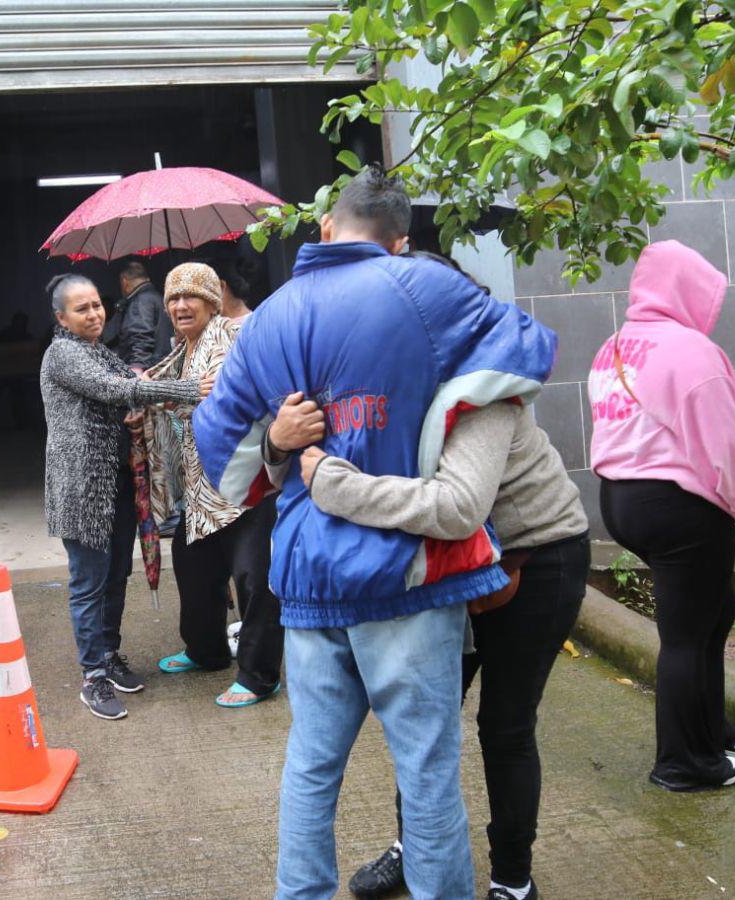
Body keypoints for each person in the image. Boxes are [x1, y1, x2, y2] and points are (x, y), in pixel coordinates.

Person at [192, 168, 556, 900]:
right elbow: (528, 351)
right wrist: (436, 398)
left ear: (326, 228)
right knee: (425, 769)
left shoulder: (266, 320)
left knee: (311, 765)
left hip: (306, 579)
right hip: (406, 576)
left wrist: (279, 441)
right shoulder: (424, 289)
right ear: (401, 240)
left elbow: (220, 462)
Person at [267, 254, 590, 900]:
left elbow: (455, 508)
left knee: (502, 725)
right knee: (420, 730)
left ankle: (512, 877)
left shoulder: (483, 387)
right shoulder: (387, 375)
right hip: (451, 569)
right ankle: (412, 845)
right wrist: (280, 442)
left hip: (535, 559)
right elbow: (295, 473)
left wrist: (338, 486)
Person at [588, 240, 735, 792]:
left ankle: (711, 728)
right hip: (679, 509)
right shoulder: (692, 352)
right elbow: (725, 447)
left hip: (621, 499)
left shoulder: (615, 345)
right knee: (686, 636)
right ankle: (684, 762)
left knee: (712, 612)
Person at [40, 274, 204, 721]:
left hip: (116, 486)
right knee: (88, 583)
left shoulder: (99, 351)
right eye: (82, 309)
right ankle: (92, 674)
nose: (94, 314)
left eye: (97, 305)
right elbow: (119, 389)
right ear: (61, 317)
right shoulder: (62, 354)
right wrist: (191, 389)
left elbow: (136, 380)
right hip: (81, 490)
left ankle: (109, 656)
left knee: (116, 578)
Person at [145, 263, 283, 707]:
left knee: (253, 579)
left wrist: (168, 392)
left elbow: (218, 392)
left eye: (192, 297)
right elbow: (186, 390)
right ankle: (206, 653)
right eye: (174, 298)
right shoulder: (180, 349)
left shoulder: (231, 337)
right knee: (193, 570)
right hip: (202, 489)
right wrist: (158, 388)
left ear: (213, 300)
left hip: (244, 484)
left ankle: (261, 675)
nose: (181, 306)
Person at [115, 261, 175, 369]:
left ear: (124, 282)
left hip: (147, 370)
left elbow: (140, 336)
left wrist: (137, 366)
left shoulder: (140, 301)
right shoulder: (157, 297)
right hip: (162, 365)